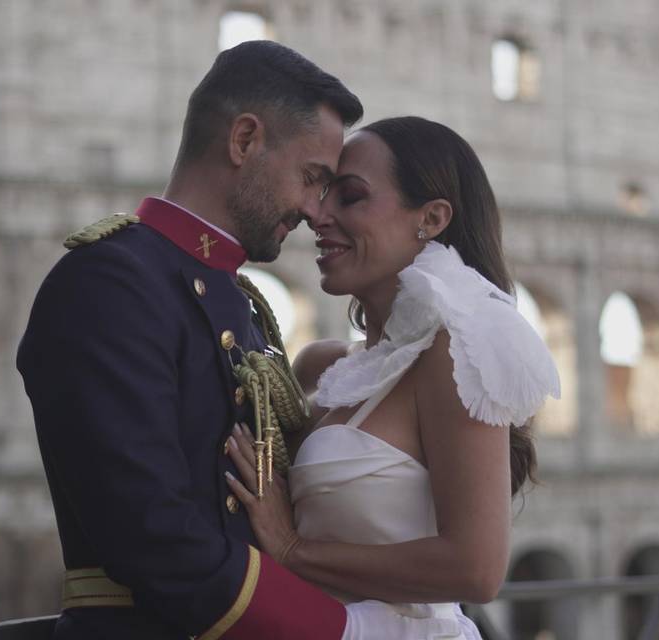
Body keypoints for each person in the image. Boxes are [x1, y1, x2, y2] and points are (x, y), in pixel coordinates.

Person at [17, 42, 463, 639]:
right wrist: (345, 631)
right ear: (244, 140)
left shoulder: (241, 302)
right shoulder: (111, 281)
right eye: (312, 179)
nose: (314, 210)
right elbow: (155, 537)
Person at [224, 116, 562, 639]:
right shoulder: (319, 366)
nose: (319, 214)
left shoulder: (453, 357)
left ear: (430, 218)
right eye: (323, 193)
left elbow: (477, 568)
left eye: (351, 197)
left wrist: (294, 550)